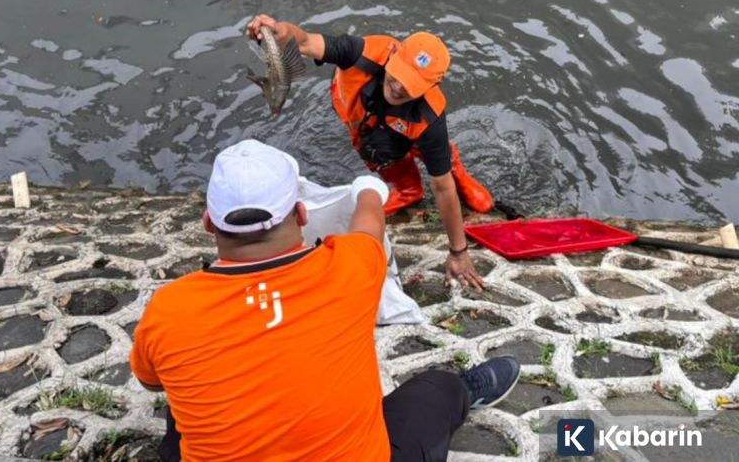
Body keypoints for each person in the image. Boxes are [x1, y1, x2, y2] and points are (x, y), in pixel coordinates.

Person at [130, 139, 520, 462]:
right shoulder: (349, 268)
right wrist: (369, 188)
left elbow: (151, 383)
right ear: (301, 213)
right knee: (437, 390)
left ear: (209, 222)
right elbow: (368, 222)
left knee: (182, 413)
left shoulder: (169, 309)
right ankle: (466, 392)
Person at [247, 15, 492, 290]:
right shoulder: (361, 53)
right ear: (394, 56)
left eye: (411, 85)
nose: (398, 87)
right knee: (376, 150)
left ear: (430, 87)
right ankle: (410, 190)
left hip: (408, 129)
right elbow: (304, 41)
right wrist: (281, 32)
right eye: (398, 74)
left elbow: (442, 187)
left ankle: (450, 161)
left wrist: (458, 251)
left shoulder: (429, 117)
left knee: (478, 200)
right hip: (370, 122)